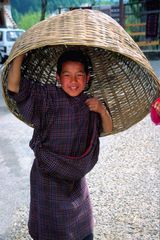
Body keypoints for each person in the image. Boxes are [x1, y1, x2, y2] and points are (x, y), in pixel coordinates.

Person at [7, 49, 112, 240]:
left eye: (79, 75)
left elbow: (107, 129)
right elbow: (15, 87)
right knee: (50, 230)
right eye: (67, 75)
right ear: (58, 77)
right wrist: (19, 55)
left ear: (87, 78)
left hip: (76, 180)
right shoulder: (47, 98)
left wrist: (102, 110)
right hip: (47, 180)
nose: (73, 81)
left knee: (83, 230)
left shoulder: (90, 104)